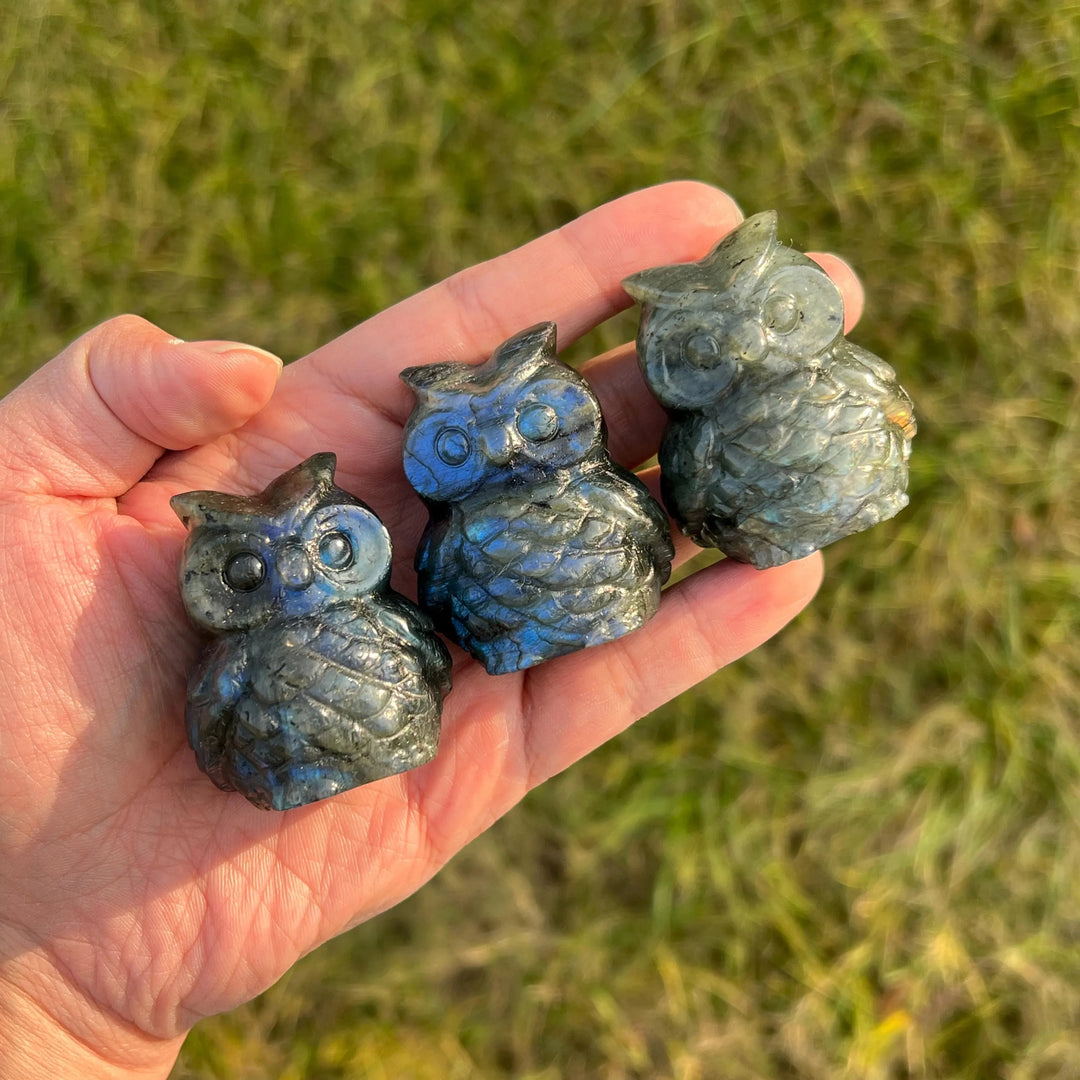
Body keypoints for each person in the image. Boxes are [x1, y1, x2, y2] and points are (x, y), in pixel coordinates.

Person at [0, 182, 862, 1078]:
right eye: (249, 573)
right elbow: (410, 653)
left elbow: (635, 538)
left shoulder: (597, 492)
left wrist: (50, 993)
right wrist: (48, 981)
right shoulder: (393, 585)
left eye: (538, 420)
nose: (516, 452)